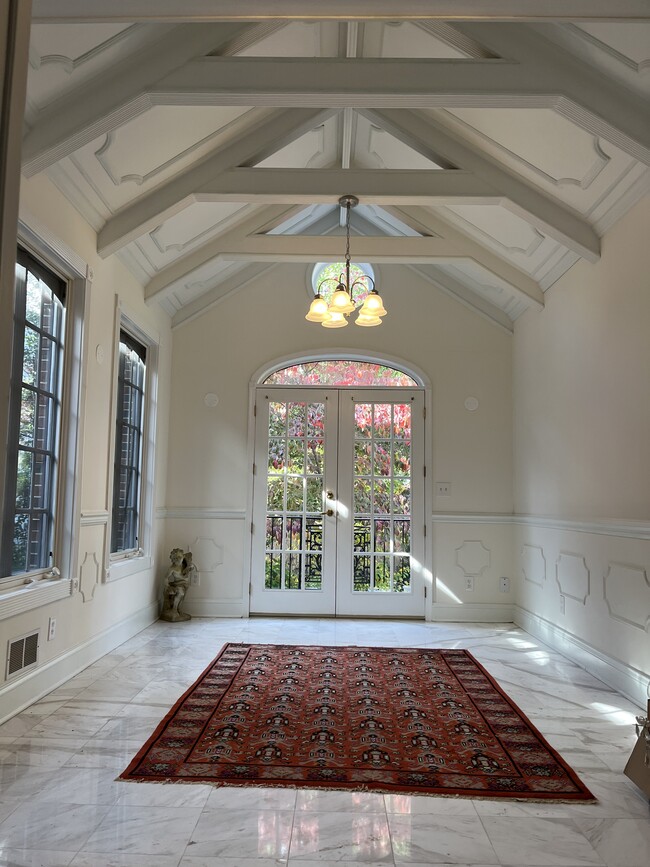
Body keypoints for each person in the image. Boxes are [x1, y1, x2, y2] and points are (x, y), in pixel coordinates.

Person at [161, 547, 191, 621]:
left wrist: (190, 567)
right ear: (172, 559)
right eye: (175, 558)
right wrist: (167, 586)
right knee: (180, 593)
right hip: (177, 584)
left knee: (182, 598)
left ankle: (179, 610)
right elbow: (165, 577)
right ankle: (174, 609)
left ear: (183, 557)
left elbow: (190, 566)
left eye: (179, 557)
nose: (178, 560)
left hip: (185, 584)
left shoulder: (184, 565)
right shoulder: (172, 568)